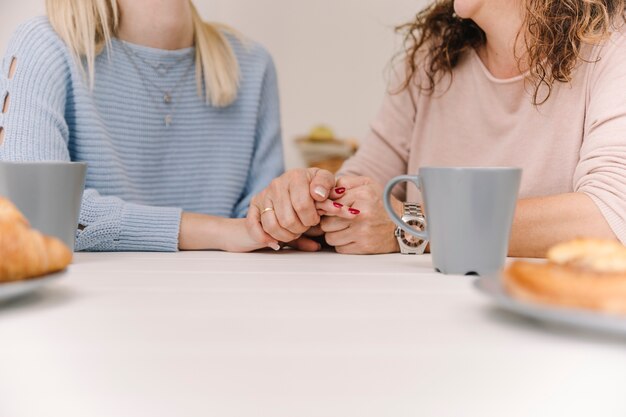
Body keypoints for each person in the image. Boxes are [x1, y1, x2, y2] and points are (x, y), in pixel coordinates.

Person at [248, 0, 626, 258]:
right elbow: (364, 184)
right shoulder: (433, 56)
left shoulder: (613, 46)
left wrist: (416, 225)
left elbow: (609, 218)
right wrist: (317, 200)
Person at [0, 0, 291, 252]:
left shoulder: (253, 64)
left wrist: (296, 212)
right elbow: (33, 213)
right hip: (87, 307)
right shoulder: (43, 46)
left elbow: (260, 221)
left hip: (225, 301)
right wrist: (217, 231)